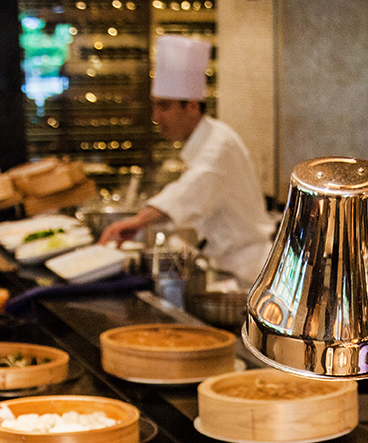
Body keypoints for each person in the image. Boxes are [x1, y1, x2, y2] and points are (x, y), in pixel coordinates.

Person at [100, 34, 273, 286]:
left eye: (164, 106)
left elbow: (191, 188)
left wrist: (138, 221)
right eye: (155, 106)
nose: (156, 116)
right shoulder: (204, 140)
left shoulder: (219, 144)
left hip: (246, 272)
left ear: (191, 106)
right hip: (225, 267)